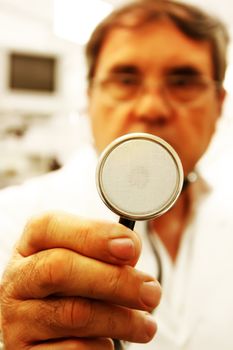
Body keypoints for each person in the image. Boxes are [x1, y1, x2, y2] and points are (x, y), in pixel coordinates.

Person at [0, 0, 232, 349]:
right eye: (125, 79)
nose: (151, 107)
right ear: (89, 97)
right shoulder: (9, 220)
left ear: (218, 106)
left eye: (183, 81)